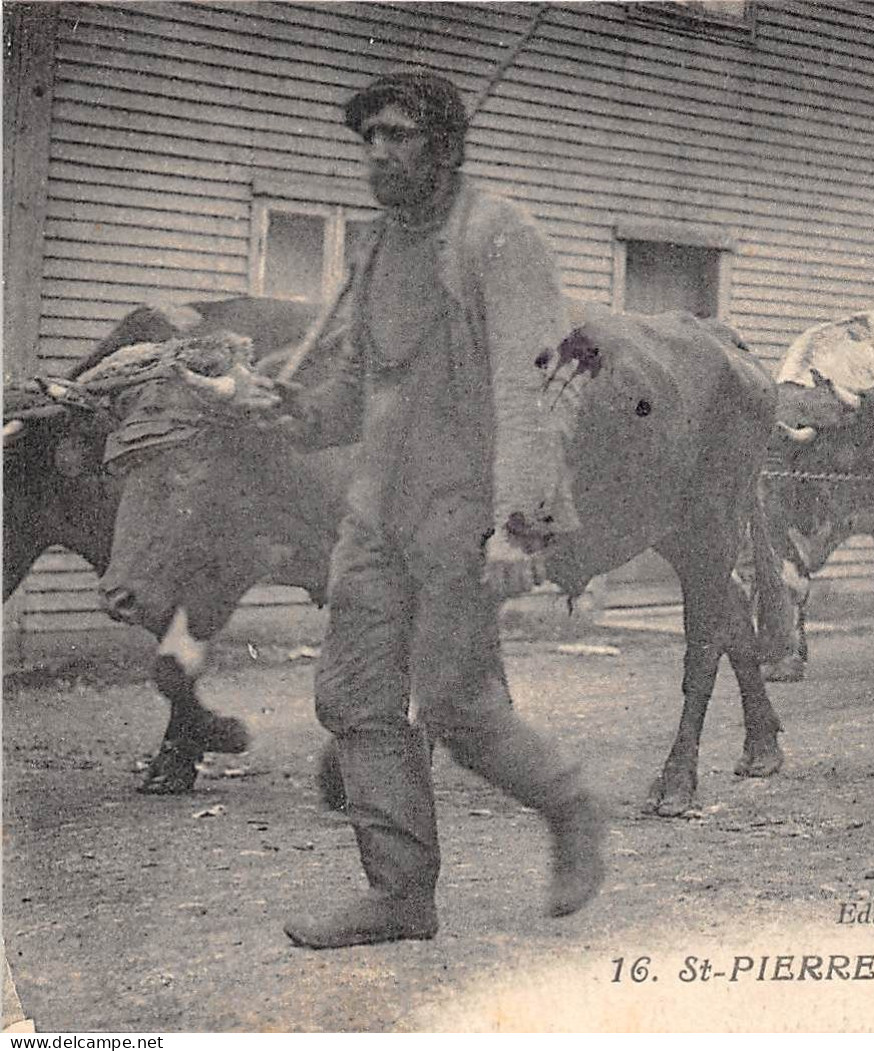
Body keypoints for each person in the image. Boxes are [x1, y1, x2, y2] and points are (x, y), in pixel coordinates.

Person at [228, 70, 605, 948]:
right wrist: (292, 412)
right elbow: (363, 383)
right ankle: (400, 894)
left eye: (396, 135)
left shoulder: (499, 236)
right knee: (354, 693)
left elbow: (548, 378)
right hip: (376, 513)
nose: (378, 153)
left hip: (465, 512)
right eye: (367, 139)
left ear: (445, 146)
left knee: (453, 702)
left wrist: (523, 518)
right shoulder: (377, 245)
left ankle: (573, 806)